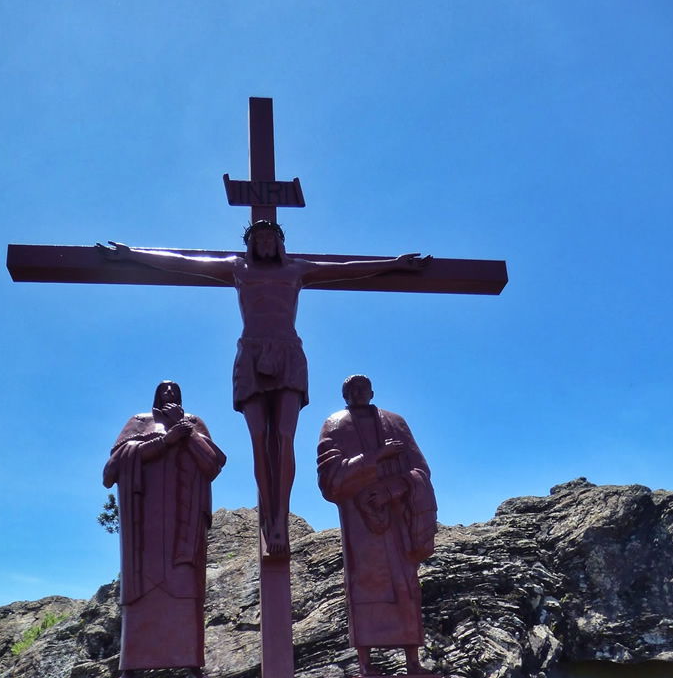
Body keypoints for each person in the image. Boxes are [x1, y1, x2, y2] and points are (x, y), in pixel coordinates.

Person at [99, 224, 428, 557]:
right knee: (259, 440)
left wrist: (394, 263)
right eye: (259, 239)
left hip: (288, 353)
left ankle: (279, 517)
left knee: (284, 437)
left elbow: (347, 270)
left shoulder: (297, 269)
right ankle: (267, 516)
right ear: (250, 244)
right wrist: (133, 254)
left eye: (272, 238)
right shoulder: (237, 267)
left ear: (281, 242)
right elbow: (184, 261)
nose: (266, 243)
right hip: (251, 354)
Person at [103, 381, 226, 678]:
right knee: (142, 592)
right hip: (146, 525)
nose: (169, 394)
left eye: (175, 390)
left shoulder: (193, 423)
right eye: (164, 390)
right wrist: (165, 441)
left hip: (183, 524)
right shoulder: (139, 422)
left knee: (185, 589)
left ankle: (191, 666)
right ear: (155, 395)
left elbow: (211, 464)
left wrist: (184, 429)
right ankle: (130, 670)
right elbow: (112, 468)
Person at [317, 374, 437, 676]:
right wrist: (374, 458)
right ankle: (366, 665)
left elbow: (420, 468)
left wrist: (395, 488)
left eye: (362, 387)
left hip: (398, 519)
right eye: (350, 389)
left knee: (406, 585)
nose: (357, 392)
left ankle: (413, 661)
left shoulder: (395, 422)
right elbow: (330, 480)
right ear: (344, 396)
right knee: (364, 586)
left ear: (372, 391)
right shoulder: (334, 424)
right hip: (360, 523)